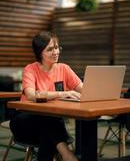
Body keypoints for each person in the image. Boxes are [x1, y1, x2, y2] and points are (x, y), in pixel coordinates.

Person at [10, 31, 83, 161]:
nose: (55, 52)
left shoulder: (64, 68)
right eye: (50, 49)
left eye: (56, 47)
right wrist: (63, 93)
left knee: (48, 134)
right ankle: (67, 154)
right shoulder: (30, 69)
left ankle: (67, 154)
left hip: (50, 123)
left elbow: (84, 89)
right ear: (40, 52)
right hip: (25, 121)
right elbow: (31, 95)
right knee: (47, 120)